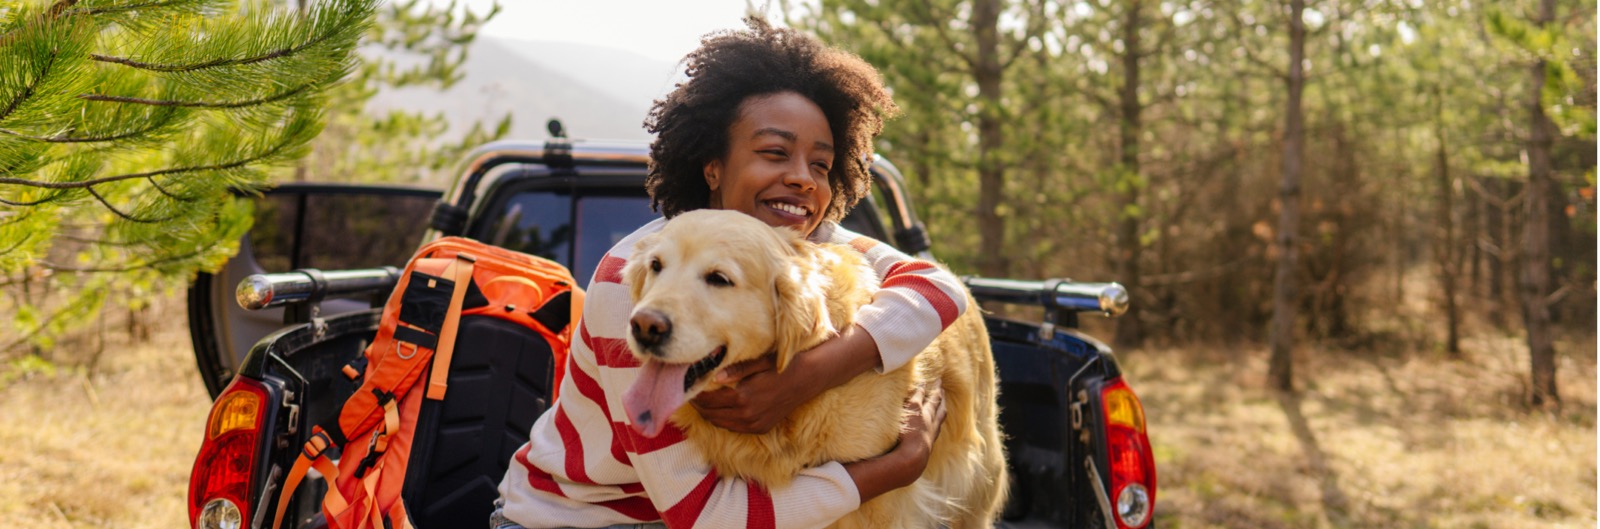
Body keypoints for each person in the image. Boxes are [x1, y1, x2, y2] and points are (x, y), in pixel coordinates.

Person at [493, 17, 971, 529]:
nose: (801, 178)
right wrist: (894, 469)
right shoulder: (635, 279)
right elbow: (706, 514)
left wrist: (808, 375)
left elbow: (939, 289)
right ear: (713, 166)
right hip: (572, 521)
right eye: (774, 152)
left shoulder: (805, 245)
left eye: (820, 165)